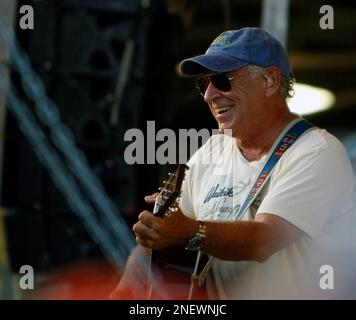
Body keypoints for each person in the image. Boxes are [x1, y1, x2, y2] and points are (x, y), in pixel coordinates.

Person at [111, 27, 356, 299]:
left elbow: (264, 240)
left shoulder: (317, 151)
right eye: (204, 84)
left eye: (222, 80)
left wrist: (192, 230)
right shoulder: (211, 153)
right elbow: (159, 241)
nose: (209, 95)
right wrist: (122, 292)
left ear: (270, 81)